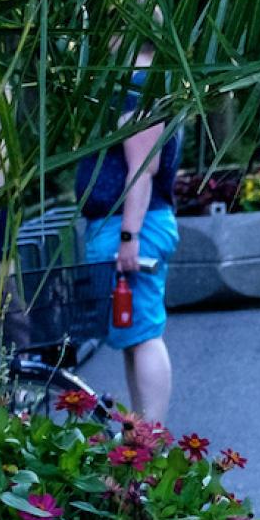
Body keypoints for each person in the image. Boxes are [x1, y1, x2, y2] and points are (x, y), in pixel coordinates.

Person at [78, 47, 181, 424]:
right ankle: (140, 434)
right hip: (126, 222)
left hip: (131, 222)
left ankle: (150, 439)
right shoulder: (149, 83)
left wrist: (128, 236)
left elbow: (143, 167)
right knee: (131, 336)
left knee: (143, 333)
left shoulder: (139, 85)